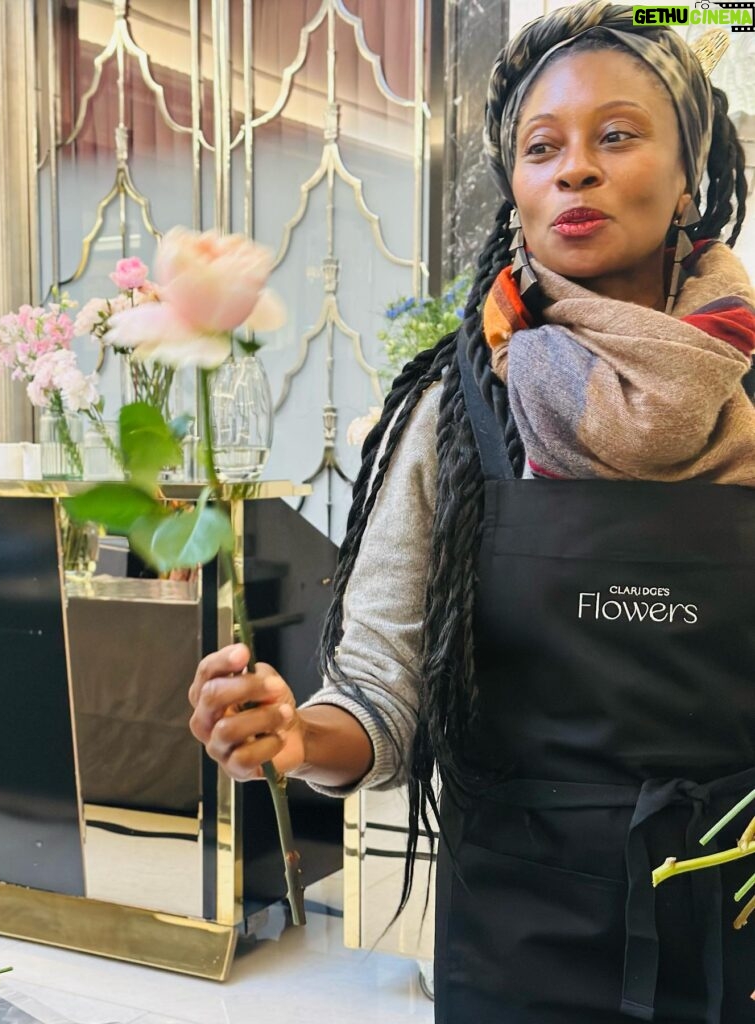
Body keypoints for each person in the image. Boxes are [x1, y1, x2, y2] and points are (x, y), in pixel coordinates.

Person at [188, 2, 755, 1020]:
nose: (572, 170)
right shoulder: (460, 409)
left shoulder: (747, 401)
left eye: (616, 136)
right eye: (542, 149)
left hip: (734, 918)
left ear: (688, 180)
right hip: (518, 930)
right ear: (517, 189)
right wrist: (297, 735)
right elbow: (379, 696)